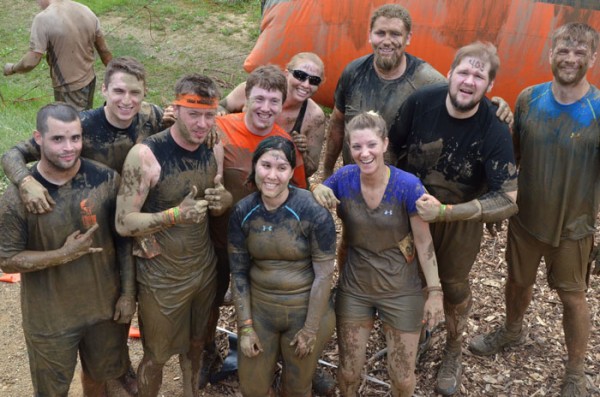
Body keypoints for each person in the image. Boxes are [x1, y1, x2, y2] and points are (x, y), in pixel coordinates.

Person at [469, 23, 599, 397]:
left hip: (574, 226)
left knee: (574, 296)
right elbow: (512, 158)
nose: (570, 58)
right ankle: (511, 330)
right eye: (563, 50)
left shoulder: (598, 108)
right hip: (526, 220)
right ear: (550, 53)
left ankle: (575, 371)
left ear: (592, 58)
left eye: (579, 52)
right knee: (517, 281)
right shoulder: (529, 99)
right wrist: (496, 199)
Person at [389, 42, 518, 396]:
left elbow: (508, 198)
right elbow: (389, 147)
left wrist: (447, 212)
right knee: (407, 277)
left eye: (479, 75)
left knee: (454, 286)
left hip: (459, 217)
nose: (468, 80)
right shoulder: (421, 102)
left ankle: (453, 349)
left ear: (489, 86)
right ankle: (417, 335)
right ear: (449, 74)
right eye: (463, 71)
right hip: (409, 210)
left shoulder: (493, 127)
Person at [0, 102, 135, 396]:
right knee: (51, 390)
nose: (69, 147)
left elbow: (125, 242)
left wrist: (127, 293)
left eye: (75, 138)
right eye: (58, 139)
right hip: (49, 319)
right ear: (38, 139)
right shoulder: (17, 198)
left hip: (103, 309)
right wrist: (62, 255)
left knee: (99, 378)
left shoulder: (106, 180)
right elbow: (6, 260)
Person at [311, 111, 444, 397]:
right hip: (356, 287)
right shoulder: (345, 178)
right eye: (356, 146)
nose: (364, 153)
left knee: (403, 377)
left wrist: (434, 292)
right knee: (348, 372)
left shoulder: (407, 185)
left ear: (384, 144)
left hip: (401, 288)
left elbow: (424, 243)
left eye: (371, 144)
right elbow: (317, 193)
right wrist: (316, 188)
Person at [115, 73, 231, 397]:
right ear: (175, 109)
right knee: (156, 357)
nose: (202, 123)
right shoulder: (146, 156)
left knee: (196, 347)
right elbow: (123, 222)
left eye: (210, 115)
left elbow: (217, 196)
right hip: (161, 276)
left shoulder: (213, 145)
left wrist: (225, 200)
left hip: (202, 268)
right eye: (194, 114)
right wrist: (173, 215)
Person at [201, 65, 310, 388]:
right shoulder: (218, 129)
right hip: (219, 239)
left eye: (274, 101)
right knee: (211, 300)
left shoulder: (285, 141)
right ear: (245, 97)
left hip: (266, 246)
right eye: (259, 99)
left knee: (268, 306)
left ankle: (283, 359)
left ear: (282, 105)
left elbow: (300, 192)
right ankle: (207, 350)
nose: (265, 108)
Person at [323, 4, 512, 178]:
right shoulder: (353, 72)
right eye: (381, 33)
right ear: (370, 35)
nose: (387, 41)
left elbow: (463, 96)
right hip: (356, 178)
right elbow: (338, 123)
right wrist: (328, 170)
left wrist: (497, 106)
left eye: (395, 34)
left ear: (408, 38)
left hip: (402, 188)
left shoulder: (428, 81)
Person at [228, 136, 336, 397]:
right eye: (265, 166)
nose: (272, 176)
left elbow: (324, 276)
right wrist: (245, 328)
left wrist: (310, 330)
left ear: (291, 172)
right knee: (251, 389)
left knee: (297, 388)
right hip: (262, 308)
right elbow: (239, 273)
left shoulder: (312, 212)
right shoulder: (243, 211)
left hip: (305, 309)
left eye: (281, 168)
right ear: (254, 168)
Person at [1, 56, 170, 215]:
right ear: (104, 90)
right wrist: (26, 182)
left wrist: (175, 127)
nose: (126, 100)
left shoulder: (152, 116)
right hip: (89, 209)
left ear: (144, 92)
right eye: (118, 91)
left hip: (137, 209)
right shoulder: (81, 127)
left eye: (135, 93)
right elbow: (12, 155)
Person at [219, 52, 326, 179]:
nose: (306, 84)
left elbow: (310, 170)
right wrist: (221, 119)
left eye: (314, 81)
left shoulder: (314, 116)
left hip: (275, 178)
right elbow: (220, 107)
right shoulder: (254, 89)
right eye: (300, 75)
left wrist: (301, 152)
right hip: (236, 163)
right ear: (287, 73)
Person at [3, 0, 112, 111]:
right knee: (85, 119)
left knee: (71, 124)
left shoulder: (43, 19)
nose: (38, 3)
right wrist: (115, 76)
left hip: (68, 88)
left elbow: (30, 61)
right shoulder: (85, 10)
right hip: (89, 80)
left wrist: (12, 68)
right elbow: (104, 51)